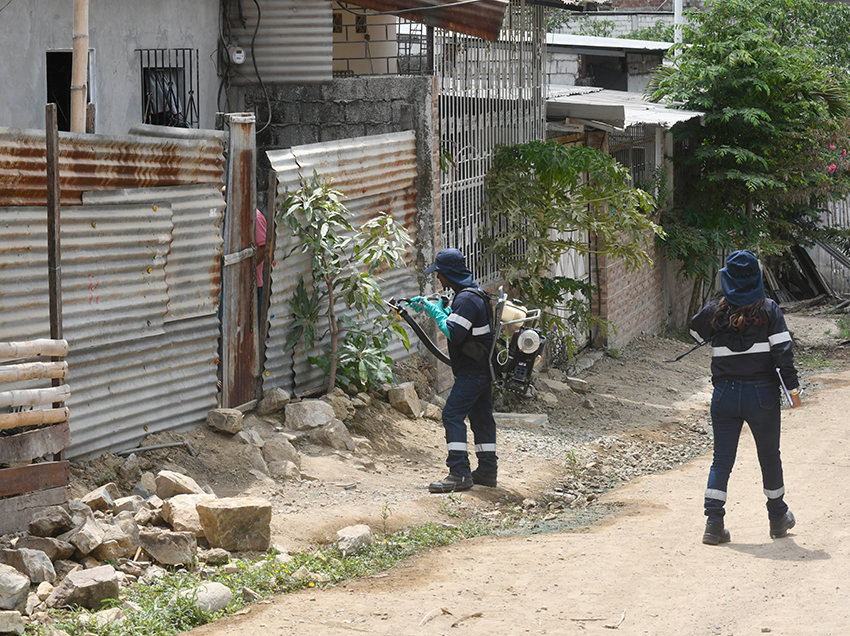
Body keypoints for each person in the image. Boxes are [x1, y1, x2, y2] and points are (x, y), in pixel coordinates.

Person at [689, 250, 801, 546]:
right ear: (757, 278)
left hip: (724, 393)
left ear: (727, 278)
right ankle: (778, 518)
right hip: (762, 394)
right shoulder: (769, 310)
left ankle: (714, 524)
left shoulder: (716, 310)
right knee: (769, 456)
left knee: (721, 460)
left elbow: (694, 331)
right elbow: (782, 353)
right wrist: (793, 390)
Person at [407, 248, 498, 493]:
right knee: (481, 418)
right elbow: (463, 325)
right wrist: (442, 308)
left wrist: (436, 312)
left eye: (439, 274)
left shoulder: (467, 299)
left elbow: (456, 334)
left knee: (452, 415)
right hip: (481, 369)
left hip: (473, 371)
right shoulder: (471, 293)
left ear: (449, 273)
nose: (438, 279)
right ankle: (488, 471)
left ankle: (459, 473)